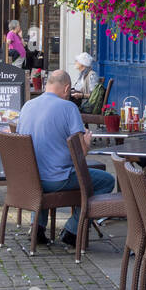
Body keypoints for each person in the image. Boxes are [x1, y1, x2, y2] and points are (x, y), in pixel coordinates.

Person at [16, 69, 114, 246]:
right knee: (106, 180)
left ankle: (36, 226)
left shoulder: (27, 106)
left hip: (29, 180)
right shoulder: (68, 107)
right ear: (67, 88)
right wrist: (86, 142)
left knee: (44, 167)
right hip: (56, 180)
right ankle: (72, 229)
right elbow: (80, 155)